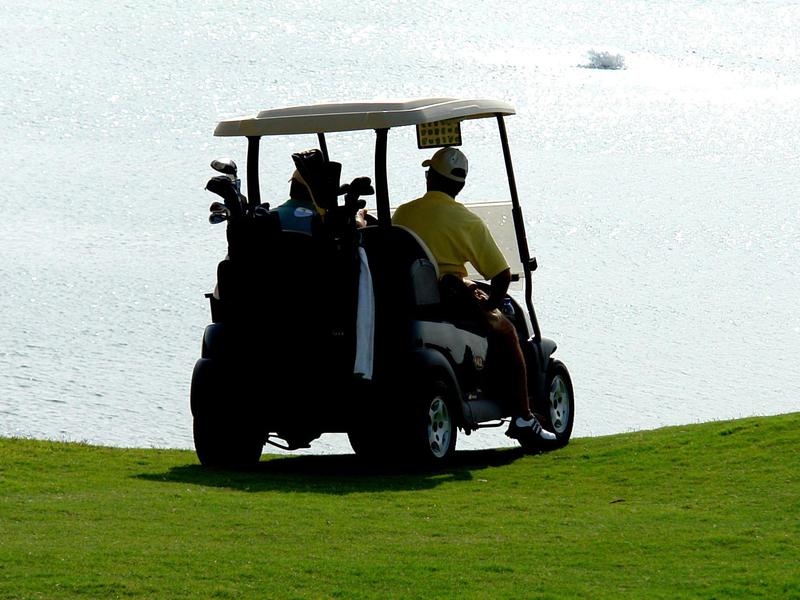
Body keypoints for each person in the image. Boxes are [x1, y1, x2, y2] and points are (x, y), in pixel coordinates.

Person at [392, 146, 557, 445]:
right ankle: (522, 417)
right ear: (460, 184)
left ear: (430, 178)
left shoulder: (404, 212)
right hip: (448, 296)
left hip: (408, 295)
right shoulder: (466, 221)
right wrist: (492, 305)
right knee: (506, 330)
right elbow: (501, 275)